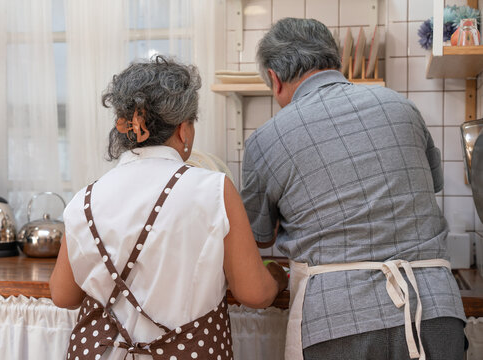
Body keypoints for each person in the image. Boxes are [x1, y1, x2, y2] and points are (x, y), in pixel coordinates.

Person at [241, 18, 466, 360]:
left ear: (274, 78)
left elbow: (259, 237)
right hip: (435, 309)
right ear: (335, 60)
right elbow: (431, 184)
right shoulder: (402, 106)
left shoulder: (265, 139)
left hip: (337, 320)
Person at [49, 55, 288, 360]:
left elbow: (63, 295)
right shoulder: (213, 189)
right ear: (183, 129)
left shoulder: (84, 198)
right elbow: (253, 293)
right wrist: (278, 277)